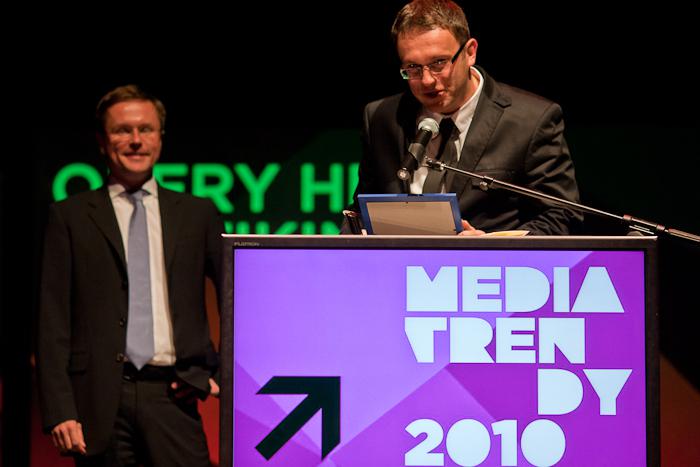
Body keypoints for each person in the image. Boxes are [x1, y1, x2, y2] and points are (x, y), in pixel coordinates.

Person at [37, 84, 223, 466]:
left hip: (174, 394)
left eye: (146, 129)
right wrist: (59, 409)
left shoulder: (197, 214)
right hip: (99, 399)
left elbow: (237, 298)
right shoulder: (70, 216)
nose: (136, 140)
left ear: (160, 138)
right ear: (102, 140)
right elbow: (51, 320)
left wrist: (221, 373)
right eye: (123, 130)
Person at [349, 0, 582, 235]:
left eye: (438, 63)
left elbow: (562, 215)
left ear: (470, 52)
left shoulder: (531, 120)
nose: (427, 80)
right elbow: (360, 212)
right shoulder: (381, 118)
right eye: (412, 67)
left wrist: (492, 246)